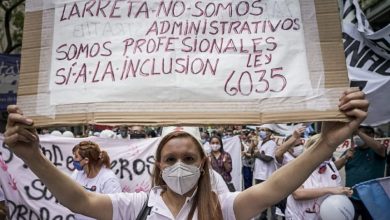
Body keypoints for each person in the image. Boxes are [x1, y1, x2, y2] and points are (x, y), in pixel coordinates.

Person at [3, 88, 368, 220]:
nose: (179, 165)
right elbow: (79, 200)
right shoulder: (137, 207)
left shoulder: (222, 207)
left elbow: (273, 188)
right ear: (158, 167)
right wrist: (33, 157)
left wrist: (324, 144)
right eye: (171, 159)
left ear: (203, 163)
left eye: (189, 158)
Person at [285, 134, 354, 220]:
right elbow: (298, 194)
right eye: (330, 147)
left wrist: (343, 192)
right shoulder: (298, 166)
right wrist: (330, 190)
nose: (334, 150)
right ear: (316, 149)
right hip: (298, 216)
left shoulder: (331, 166)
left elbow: (335, 191)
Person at [71, 141, 122, 220]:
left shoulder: (109, 179)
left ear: (86, 160)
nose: (74, 159)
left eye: (76, 156)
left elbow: (116, 209)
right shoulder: (77, 173)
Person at [345, 126, 386, 220]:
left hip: (372, 199)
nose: (356, 137)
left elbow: (380, 148)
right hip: (352, 198)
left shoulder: (377, 151)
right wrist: (345, 158)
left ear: (371, 135)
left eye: (359, 134)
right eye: (354, 134)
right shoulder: (351, 152)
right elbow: (335, 167)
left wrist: (358, 132)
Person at [253, 124, 278, 220]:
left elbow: (268, 158)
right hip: (259, 174)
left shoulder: (272, 144)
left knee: (270, 196)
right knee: (260, 196)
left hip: (267, 175)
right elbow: (254, 154)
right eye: (261, 130)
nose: (261, 132)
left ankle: (273, 216)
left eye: (264, 130)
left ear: (269, 133)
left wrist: (258, 154)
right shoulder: (260, 142)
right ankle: (263, 215)